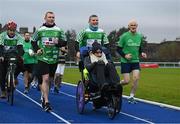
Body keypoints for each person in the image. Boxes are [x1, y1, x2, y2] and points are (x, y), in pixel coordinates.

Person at [32, 11, 66, 112]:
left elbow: (64, 42)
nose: (51, 19)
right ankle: (46, 102)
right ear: (45, 18)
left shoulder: (59, 30)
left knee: (50, 80)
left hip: (54, 58)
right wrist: (37, 49)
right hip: (43, 58)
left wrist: (58, 42)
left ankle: (44, 94)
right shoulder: (40, 30)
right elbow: (33, 41)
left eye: (53, 17)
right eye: (49, 17)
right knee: (45, 79)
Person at [117, 19, 147, 103]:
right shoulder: (124, 36)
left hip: (135, 61)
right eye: (131, 25)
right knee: (126, 81)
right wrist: (125, 55)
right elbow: (118, 49)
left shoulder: (139, 36)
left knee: (136, 78)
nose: (133, 26)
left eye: (135, 25)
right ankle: (117, 85)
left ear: (137, 26)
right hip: (125, 61)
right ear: (129, 26)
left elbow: (140, 47)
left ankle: (131, 96)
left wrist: (142, 53)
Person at [0, 21, 24, 98]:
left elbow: (20, 48)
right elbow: (0, 47)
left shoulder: (18, 37)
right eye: (10, 30)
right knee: (2, 74)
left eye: (13, 30)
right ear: (7, 30)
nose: (12, 32)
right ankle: (3, 91)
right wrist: (1, 56)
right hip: (4, 55)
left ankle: (14, 76)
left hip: (14, 54)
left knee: (21, 64)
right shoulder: (2, 36)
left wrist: (20, 56)